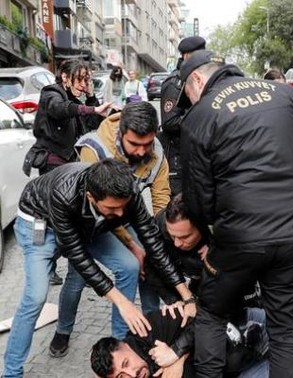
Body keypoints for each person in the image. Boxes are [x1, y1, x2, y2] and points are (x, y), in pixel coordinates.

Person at [177, 50, 293, 377]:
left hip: (239, 238)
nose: (188, 101)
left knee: (211, 313)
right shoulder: (289, 95)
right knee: (287, 330)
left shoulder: (200, 115)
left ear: (198, 80)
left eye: (186, 92)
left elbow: (198, 197)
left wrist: (218, 228)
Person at [1, 159, 196, 378]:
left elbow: (152, 240)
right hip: (40, 223)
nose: (122, 214)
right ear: (91, 198)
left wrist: (186, 295)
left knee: (130, 265)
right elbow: (78, 255)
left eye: (124, 207)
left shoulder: (125, 195)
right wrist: (123, 303)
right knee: (36, 295)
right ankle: (11, 372)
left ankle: (122, 350)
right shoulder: (64, 195)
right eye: (113, 208)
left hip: (89, 224)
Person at [48, 102, 172, 357]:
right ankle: (63, 330)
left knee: (150, 262)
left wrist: (158, 240)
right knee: (78, 275)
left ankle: (142, 333)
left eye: (147, 143)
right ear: (121, 132)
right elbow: (95, 210)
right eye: (134, 144)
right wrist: (132, 245)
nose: (142, 151)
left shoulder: (155, 150)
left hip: (130, 215)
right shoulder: (95, 148)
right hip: (92, 221)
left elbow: (161, 199)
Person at [90, 306, 293, 378]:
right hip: (240, 370)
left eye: (127, 364)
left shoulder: (150, 327)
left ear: (125, 346)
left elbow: (207, 316)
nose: (131, 374)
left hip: (251, 328)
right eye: (120, 377)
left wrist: (177, 354)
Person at [23, 60, 112, 286]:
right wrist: (89, 107)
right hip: (52, 163)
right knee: (47, 218)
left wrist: (92, 99)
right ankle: (43, 264)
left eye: (87, 80)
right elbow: (58, 109)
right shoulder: (51, 93)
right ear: (65, 77)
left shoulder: (76, 100)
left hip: (71, 164)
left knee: (66, 218)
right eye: (80, 79)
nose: (84, 85)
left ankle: (62, 263)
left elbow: (93, 124)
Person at [158, 36, 207, 195]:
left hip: (195, 154)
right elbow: (169, 121)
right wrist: (200, 117)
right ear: (186, 56)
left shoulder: (197, 78)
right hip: (177, 157)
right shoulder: (176, 82)